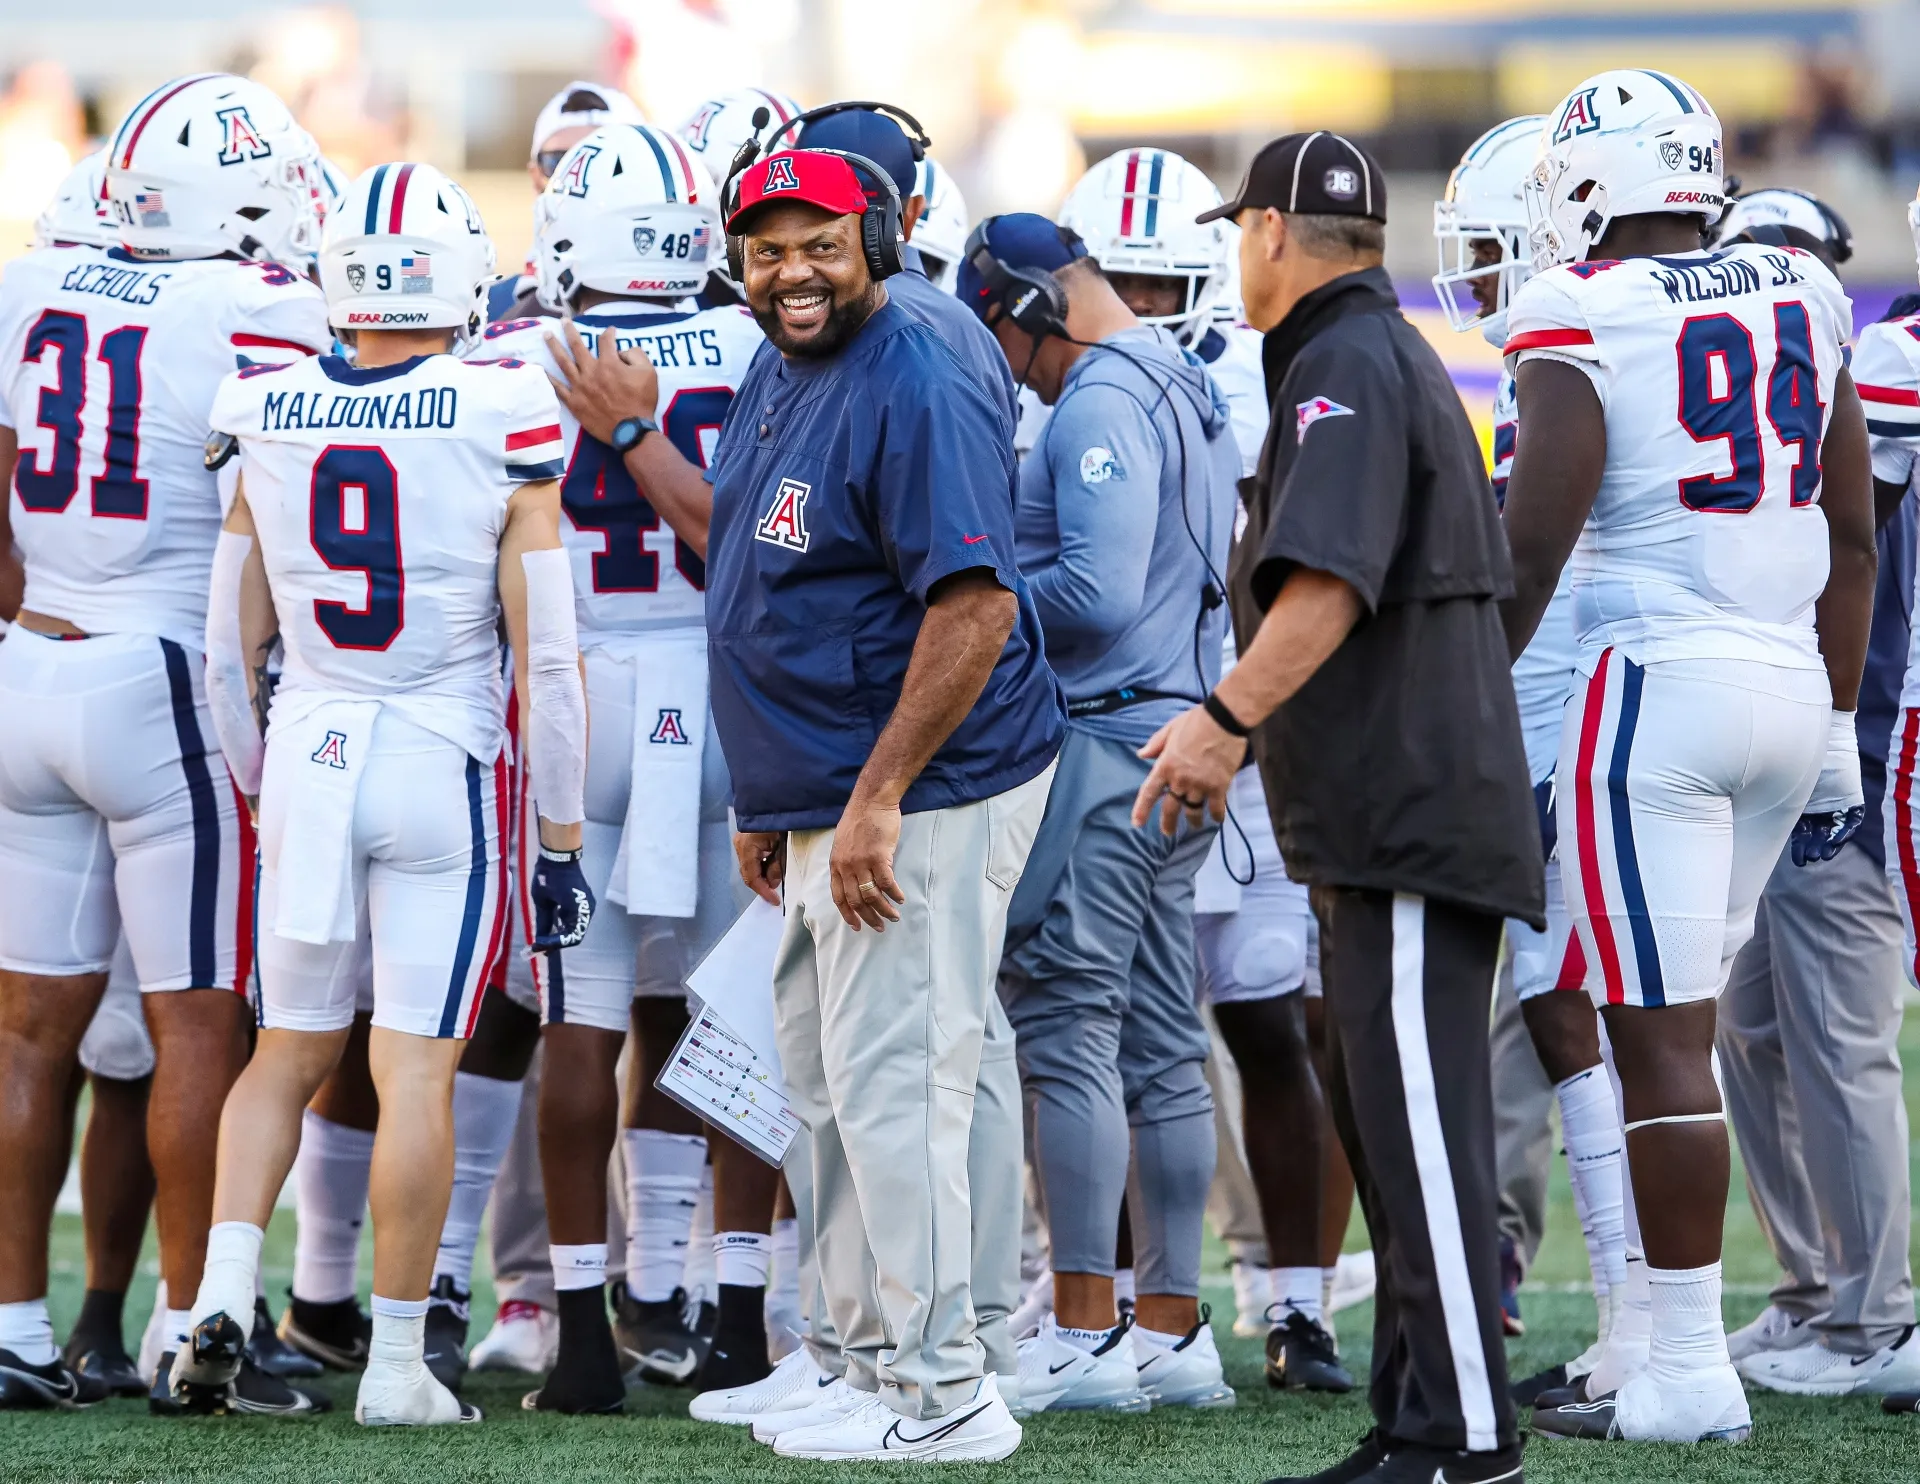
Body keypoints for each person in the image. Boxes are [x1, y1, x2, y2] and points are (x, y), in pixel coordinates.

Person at [1136, 129, 1540, 1484]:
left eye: (1236, 228)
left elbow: (1326, 585)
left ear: (1267, 233)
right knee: (1385, 1112)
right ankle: (1419, 1419)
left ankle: (1467, 1437)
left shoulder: (1348, 362)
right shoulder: (1358, 349)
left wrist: (1222, 722)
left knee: (1419, 1122)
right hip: (1388, 805)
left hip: (1412, 809)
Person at [170, 160, 592, 1428]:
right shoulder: (504, 403)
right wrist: (558, 838)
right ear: (464, 275)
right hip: (436, 754)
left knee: (283, 1049)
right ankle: (401, 1365)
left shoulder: (264, 402)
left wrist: (264, 780)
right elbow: (553, 660)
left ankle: (220, 1296)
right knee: (416, 1068)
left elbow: (218, 643)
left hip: (309, 742)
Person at [1501, 71, 1874, 1446]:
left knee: (1657, 1045)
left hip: (1654, 683)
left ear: (1592, 182)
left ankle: (1683, 1375)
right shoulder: (1804, 284)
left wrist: (1472, 702)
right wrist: (1836, 719)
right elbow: (1853, 532)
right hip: (1786, 686)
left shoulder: (1576, 309)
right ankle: (1670, 1353)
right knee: (1684, 1034)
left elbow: (1534, 546)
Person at [703, 147, 1064, 1462]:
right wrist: (778, 790)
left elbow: (972, 605)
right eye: (765, 247)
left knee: (899, 1081)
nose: (790, 271)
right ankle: (858, 1357)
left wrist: (874, 798)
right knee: (826, 1081)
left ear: (881, 234)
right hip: (825, 784)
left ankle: (943, 1387)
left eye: (816, 243)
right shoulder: (788, 351)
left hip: (919, 784)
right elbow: (771, 569)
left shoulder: (911, 359)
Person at [0, 74, 332, 1416]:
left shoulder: (32, 284)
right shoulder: (250, 310)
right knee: (202, 1024)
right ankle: (194, 1332)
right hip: (162, 681)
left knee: (27, 1032)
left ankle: (16, 1326)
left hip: (32, 663)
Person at [479, 122, 765, 1412]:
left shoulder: (503, 360)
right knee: (736, 1015)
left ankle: (584, 1332)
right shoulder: (762, 345)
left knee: (583, 1020)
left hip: (578, 693)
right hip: (720, 693)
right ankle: (745, 1315)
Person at [1061, 142, 1345, 1387]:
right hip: (1188, 720)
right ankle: (1144, 1304)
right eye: (1128, 283)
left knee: (1249, 1021)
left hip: (1211, 720)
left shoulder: (1252, 377)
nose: (1150, 307)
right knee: (1160, 1025)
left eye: (1162, 283)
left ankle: (1289, 1299)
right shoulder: (1143, 382)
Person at [952, 213, 1237, 1416]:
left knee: (1071, 1018)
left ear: (1032, 304)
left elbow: (1097, 591)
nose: (1005, 365)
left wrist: (972, 595)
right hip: (1182, 732)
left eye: (1000, 334)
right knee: (1165, 1036)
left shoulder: (1099, 399)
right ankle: (1169, 1322)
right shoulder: (1183, 376)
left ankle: (1084, 1323)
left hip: (1114, 736)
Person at [1434, 115, 1630, 1403]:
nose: (1488, 281)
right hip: (1623, 694)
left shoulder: (1588, 327)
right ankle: (1641, 1313)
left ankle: (1643, 1320)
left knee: (1601, 1014)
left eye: (1505, 250)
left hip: (1605, 701)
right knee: (1584, 1011)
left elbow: (1544, 561)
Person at [487, 81, 647, 322]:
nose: (574, 176)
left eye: (602, 161)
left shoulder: (700, 300)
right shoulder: (487, 308)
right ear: (535, 176)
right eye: (558, 161)